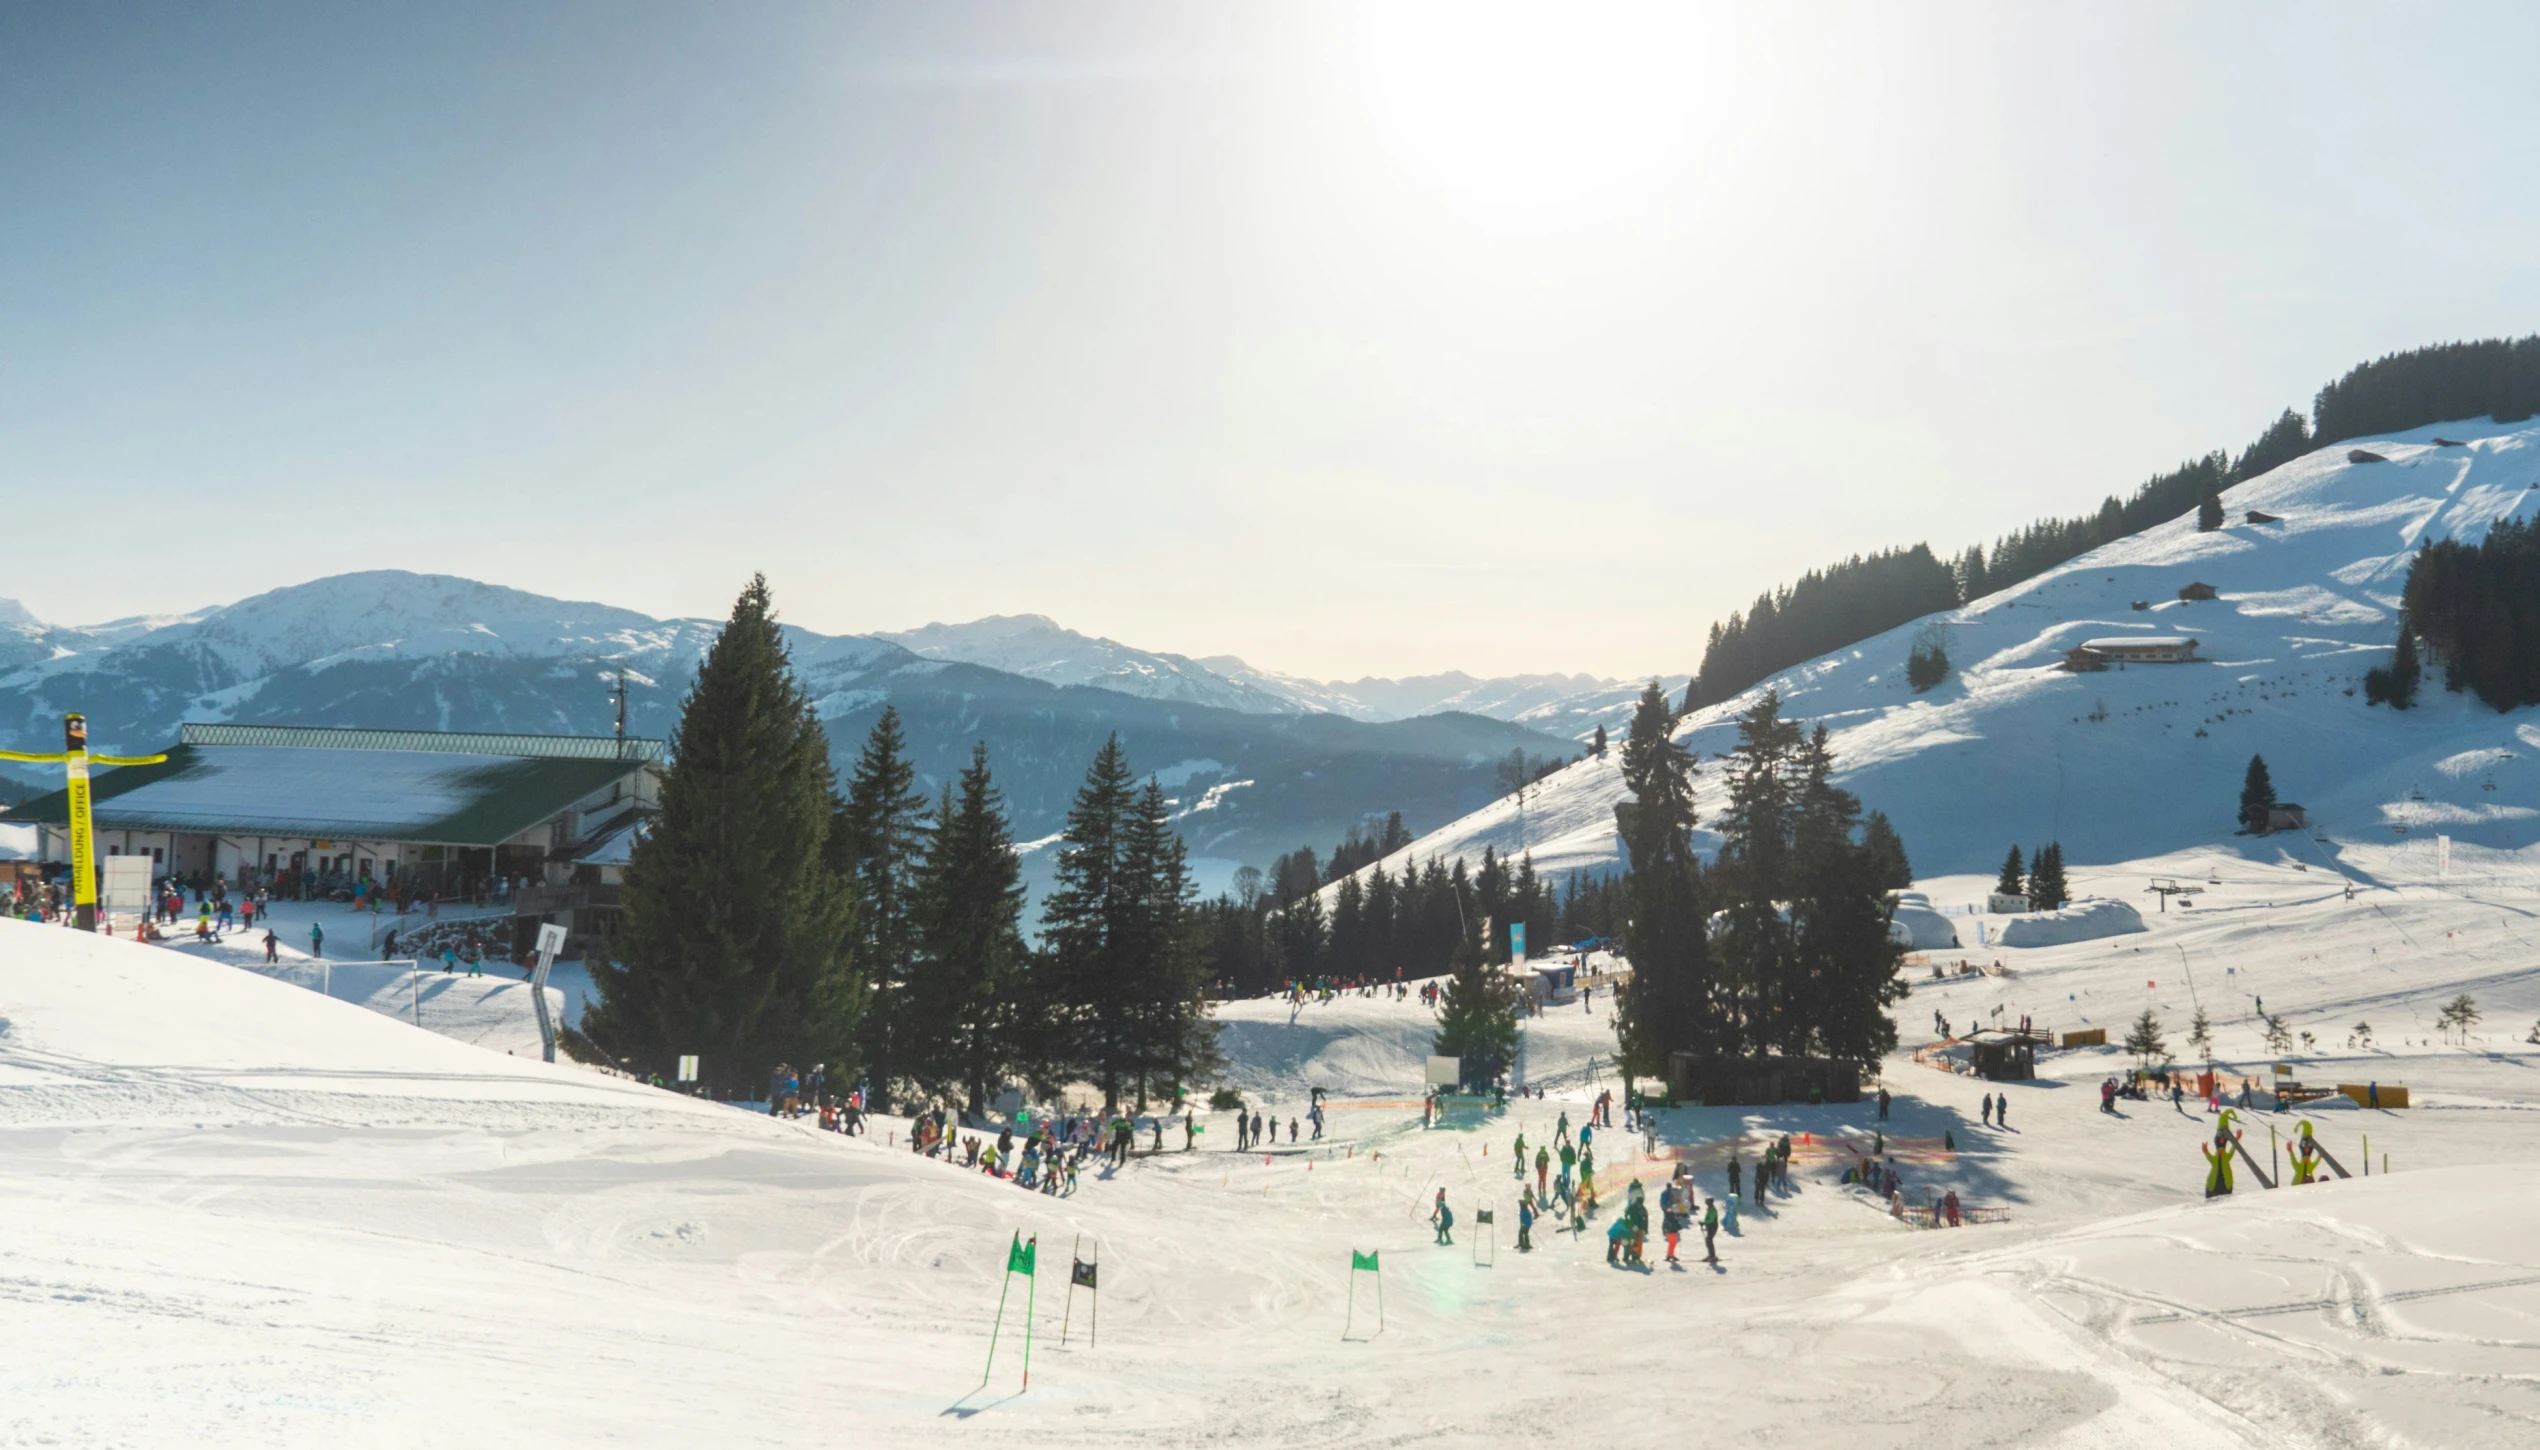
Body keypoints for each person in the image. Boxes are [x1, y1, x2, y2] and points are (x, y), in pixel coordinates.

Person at [1702, 1196, 1721, 1265]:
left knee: (1709, 1240)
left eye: (1707, 1202)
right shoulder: (1710, 1209)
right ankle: (1711, 1255)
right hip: (1710, 1227)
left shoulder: (1713, 1210)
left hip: (1713, 1227)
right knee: (1708, 1240)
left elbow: (1711, 1219)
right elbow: (1707, 1218)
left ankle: (1712, 1256)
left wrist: (1704, 1223)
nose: (1706, 1203)